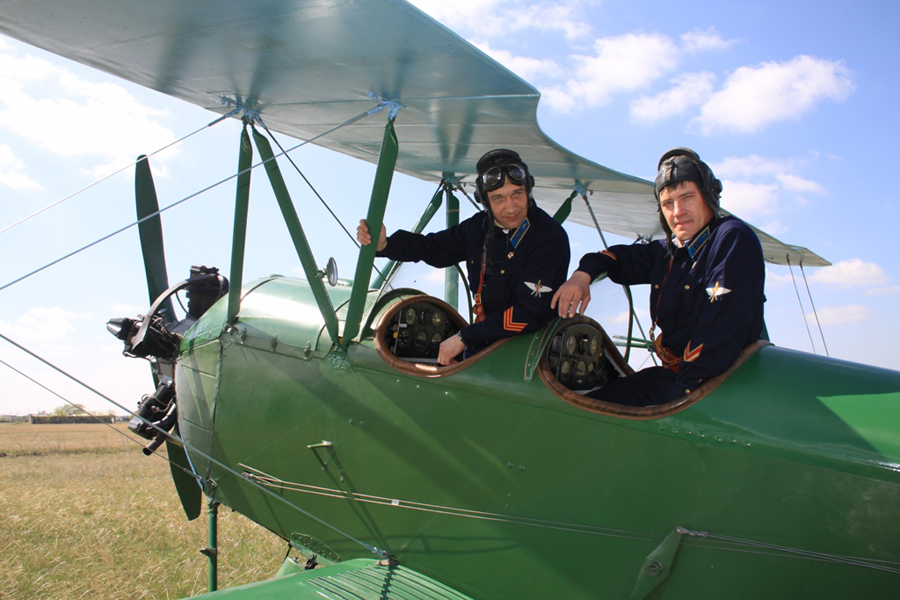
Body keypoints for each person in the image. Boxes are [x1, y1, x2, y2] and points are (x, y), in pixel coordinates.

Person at [551, 148, 765, 406]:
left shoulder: (732, 238)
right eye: (668, 203)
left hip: (715, 386)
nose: (678, 211)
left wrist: (676, 403)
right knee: (584, 405)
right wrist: (581, 276)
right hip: (679, 378)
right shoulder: (670, 253)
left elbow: (718, 335)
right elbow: (616, 258)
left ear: (708, 196)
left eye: (687, 197)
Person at [358, 148, 570, 366]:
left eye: (517, 194)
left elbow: (530, 313)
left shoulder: (549, 237)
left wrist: (465, 337)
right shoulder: (478, 228)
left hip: (530, 352)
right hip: (486, 339)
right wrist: (385, 245)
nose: (511, 207)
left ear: (528, 190)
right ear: (485, 201)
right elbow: (431, 248)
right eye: (498, 198)